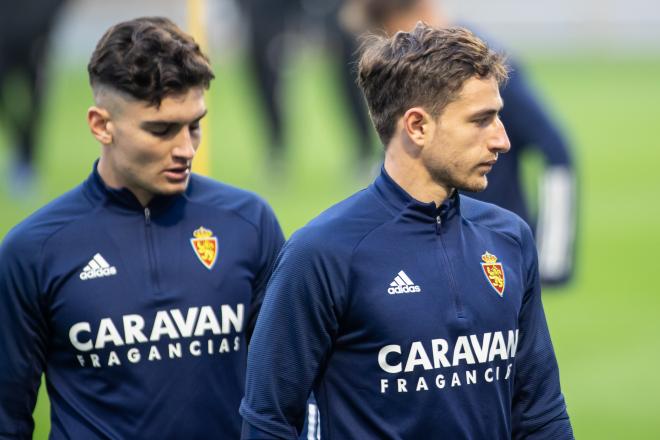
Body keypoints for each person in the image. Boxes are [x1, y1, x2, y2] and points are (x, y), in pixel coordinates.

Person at [240, 24, 574, 439]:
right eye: (481, 120)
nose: (502, 140)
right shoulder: (322, 254)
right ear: (417, 126)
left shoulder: (509, 237)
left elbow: (541, 413)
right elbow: (268, 421)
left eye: (499, 117)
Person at [0, 17, 284, 439]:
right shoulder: (34, 251)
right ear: (101, 125)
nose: (185, 149)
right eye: (161, 130)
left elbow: (289, 388)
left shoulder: (248, 223)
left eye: (194, 125)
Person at [340, 0, 578, 286]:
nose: (395, 53)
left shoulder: (484, 70)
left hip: (487, 252)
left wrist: (552, 255)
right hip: (425, 248)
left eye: (398, 38)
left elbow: (555, 147)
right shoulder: (412, 77)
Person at [0, 0, 66, 196]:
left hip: (35, 40)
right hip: (3, 38)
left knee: (35, 103)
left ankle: (27, 160)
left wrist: (44, 23)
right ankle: (20, 151)